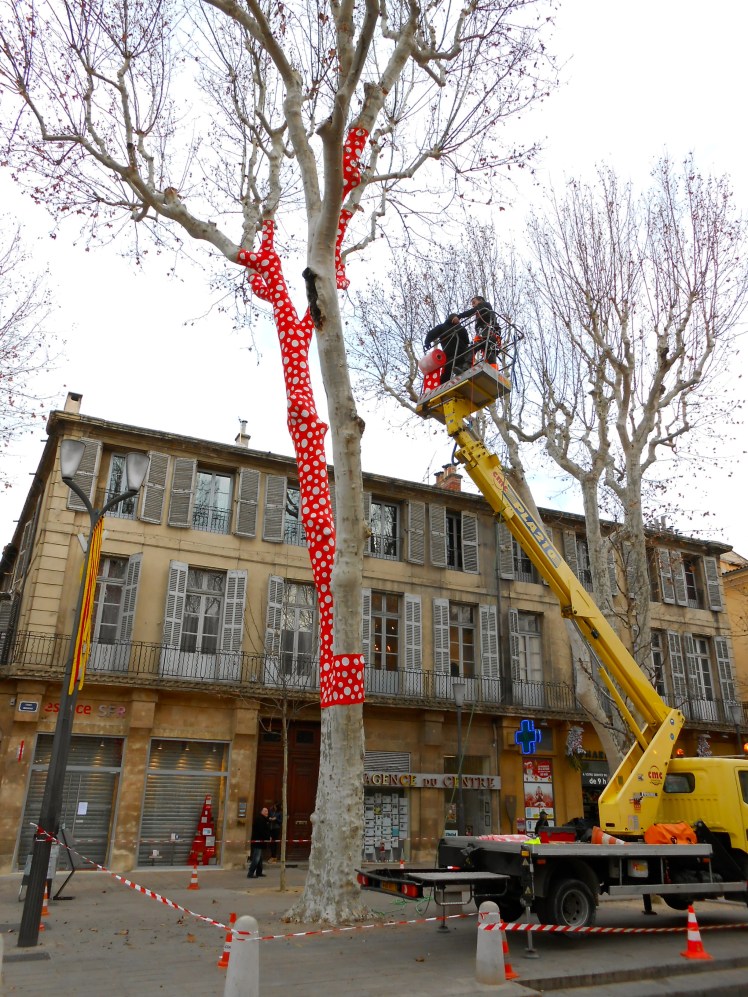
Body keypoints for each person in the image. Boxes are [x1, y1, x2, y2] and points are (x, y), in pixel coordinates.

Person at [423, 313, 471, 384]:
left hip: (454, 354)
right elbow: (466, 341)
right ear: (453, 318)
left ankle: (444, 385)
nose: (459, 320)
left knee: (449, 371)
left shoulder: (458, 328)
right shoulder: (445, 327)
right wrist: (427, 341)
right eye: (457, 318)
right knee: (453, 371)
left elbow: (467, 341)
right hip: (456, 354)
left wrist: (427, 341)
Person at [458, 295, 502, 365]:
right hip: (489, 333)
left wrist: (459, 316)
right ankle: (492, 368)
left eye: (474, 302)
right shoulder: (483, 313)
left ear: (480, 300)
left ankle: (467, 365)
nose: (473, 305)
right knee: (489, 351)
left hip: (488, 331)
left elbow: (472, 311)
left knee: (476, 347)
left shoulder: (484, 304)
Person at [247, 806, 271, 878]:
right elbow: (261, 831)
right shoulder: (260, 819)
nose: (267, 813)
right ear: (262, 812)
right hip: (258, 841)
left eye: (267, 811)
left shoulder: (263, 819)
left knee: (260, 858)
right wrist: (267, 837)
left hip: (260, 841)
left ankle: (259, 872)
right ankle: (250, 873)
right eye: (265, 811)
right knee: (256, 858)